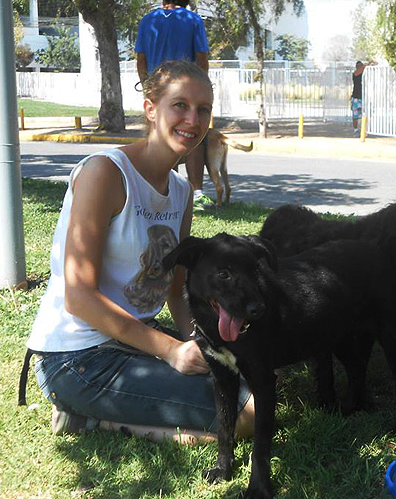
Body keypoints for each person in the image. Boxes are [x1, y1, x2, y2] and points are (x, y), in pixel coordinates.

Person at [26, 60, 254, 444]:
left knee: (254, 386)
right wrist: (171, 352)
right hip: (77, 358)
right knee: (246, 417)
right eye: (179, 105)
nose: (192, 119)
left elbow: (177, 289)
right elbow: (79, 298)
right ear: (151, 108)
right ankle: (88, 419)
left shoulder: (181, 193)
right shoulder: (106, 173)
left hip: (134, 342)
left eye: (203, 109)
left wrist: (200, 344)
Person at [135, 0, 211, 207]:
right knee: (193, 134)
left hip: (158, 89)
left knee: (162, 137)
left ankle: (163, 189)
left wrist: (148, 87)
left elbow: (141, 59)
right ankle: (196, 192)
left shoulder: (148, 20)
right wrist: (201, 88)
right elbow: (201, 58)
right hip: (186, 87)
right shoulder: (192, 20)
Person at [351, 60, 375, 136]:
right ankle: (356, 130)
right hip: (356, 98)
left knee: (365, 114)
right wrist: (370, 62)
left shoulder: (363, 74)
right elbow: (362, 68)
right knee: (355, 116)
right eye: (360, 66)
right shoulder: (355, 73)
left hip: (363, 97)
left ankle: (363, 130)